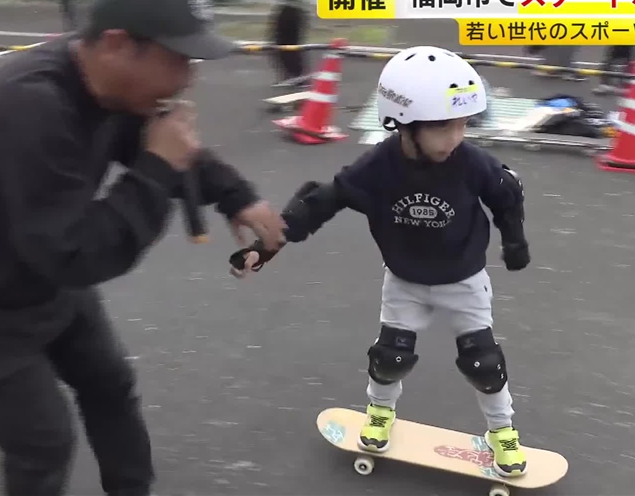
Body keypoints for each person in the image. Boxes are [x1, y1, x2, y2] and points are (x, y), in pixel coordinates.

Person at [0, 0, 286, 496]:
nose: (188, 77)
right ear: (119, 45)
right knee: (42, 441)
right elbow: (78, 253)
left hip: (40, 272)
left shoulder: (113, 92)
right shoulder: (30, 107)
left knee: (110, 385)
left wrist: (234, 195)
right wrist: (158, 168)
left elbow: (155, 144)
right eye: (178, 59)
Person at [228, 46, 532, 478]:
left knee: (483, 362)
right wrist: (268, 246)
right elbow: (324, 200)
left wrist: (515, 242)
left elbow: (507, 193)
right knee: (390, 357)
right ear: (404, 123)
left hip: (463, 280)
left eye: (464, 125)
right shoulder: (380, 166)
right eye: (444, 127)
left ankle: (503, 433)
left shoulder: (471, 163)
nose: (456, 137)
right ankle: (379, 413)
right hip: (405, 279)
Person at [269, 0, 308, 87]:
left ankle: (297, 77)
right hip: (293, 4)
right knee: (287, 42)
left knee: (285, 42)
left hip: (294, 5)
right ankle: (295, 76)